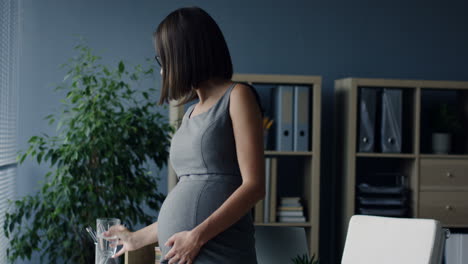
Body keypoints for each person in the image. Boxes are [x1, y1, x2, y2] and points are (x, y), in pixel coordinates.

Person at [104, 6, 265, 264]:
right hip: (186, 251)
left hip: (218, 251)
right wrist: (136, 238)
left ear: (184, 55)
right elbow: (190, 196)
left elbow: (254, 186)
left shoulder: (238, 97)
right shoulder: (190, 112)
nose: (161, 70)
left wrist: (197, 236)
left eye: (163, 59)